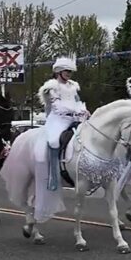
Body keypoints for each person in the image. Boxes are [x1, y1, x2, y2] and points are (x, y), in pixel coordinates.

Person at [39, 56, 89, 190]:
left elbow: (78, 102)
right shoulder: (51, 87)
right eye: (66, 71)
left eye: (70, 71)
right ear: (59, 71)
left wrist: (84, 110)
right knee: (54, 141)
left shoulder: (73, 86)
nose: (69, 73)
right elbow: (58, 107)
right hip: (58, 119)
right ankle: (53, 177)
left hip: (75, 118)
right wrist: (75, 111)